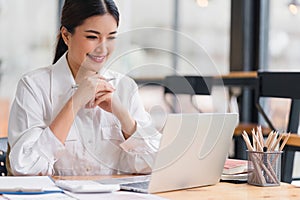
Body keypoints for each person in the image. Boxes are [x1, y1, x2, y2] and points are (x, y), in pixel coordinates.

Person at [7, 0, 161, 176]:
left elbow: (157, 165)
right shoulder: (33, 86)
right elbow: (25, 168)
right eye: (92, 37)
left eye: (111, 37)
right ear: (66, 36)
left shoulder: (125, 87)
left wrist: (123, 116)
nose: (103, 48)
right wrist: (74, 103)